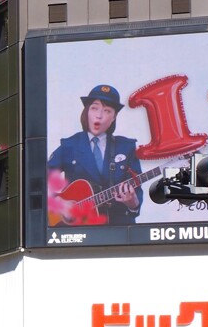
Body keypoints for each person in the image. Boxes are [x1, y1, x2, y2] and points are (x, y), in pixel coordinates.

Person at [47, 84, 142, 226]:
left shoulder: (126, 147)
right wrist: (59, 203)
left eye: (107, 110)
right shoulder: (70, 145)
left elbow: (136, 193)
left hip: (119, 231)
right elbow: (39, 180)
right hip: (77, 233)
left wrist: (133, 203)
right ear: (86, 112)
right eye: (94, 108)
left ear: (114, 117)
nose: (99, 115)